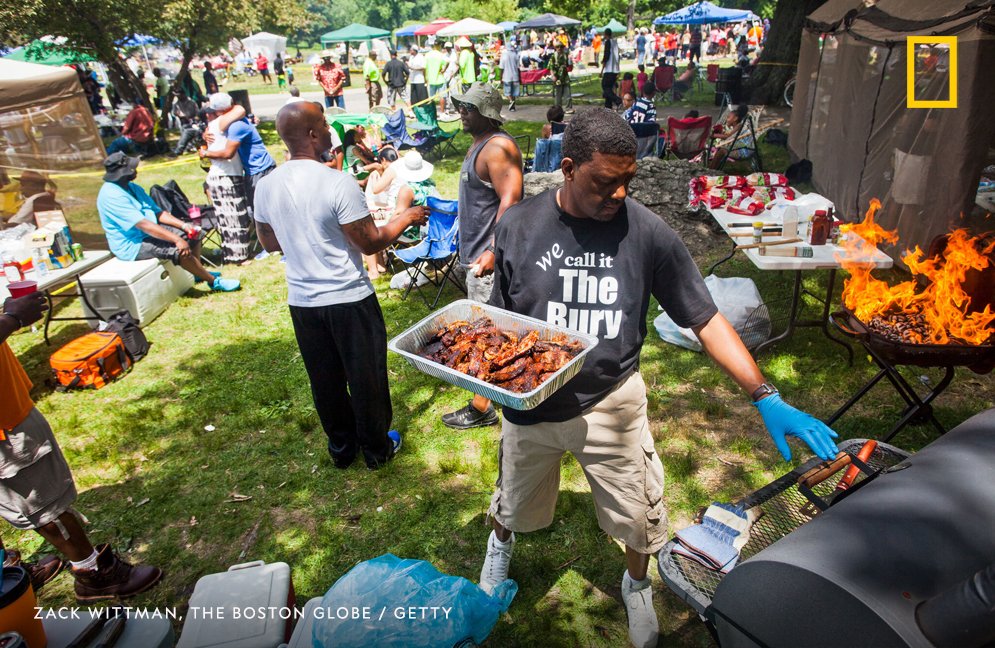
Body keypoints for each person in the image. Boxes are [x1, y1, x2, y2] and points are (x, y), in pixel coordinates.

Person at [476, 108, 840, 648]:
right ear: (570, 168)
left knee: (639, 514)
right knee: (514, 498)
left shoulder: (647, 232)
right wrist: (486, 386)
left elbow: (706, 317)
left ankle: (637, 583)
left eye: (629, 180)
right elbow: (503, 320)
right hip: (531, 406)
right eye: (605, 181)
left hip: (611, 403)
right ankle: (499, 546)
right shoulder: (519, 225)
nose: (620, 193)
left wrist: (765, 394)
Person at [253, 102, 428, 469]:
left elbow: (269, 243)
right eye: (324, 125)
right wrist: (406, 216)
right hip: (349, 298)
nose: (331, 130)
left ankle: (342, 449)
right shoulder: (337, 182)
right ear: (313, 134)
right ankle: (377, 449)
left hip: (303, 302)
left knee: (325, 378)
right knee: (366, 377)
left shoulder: (265, 185)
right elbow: (370, 242)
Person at [0, 293, 164, 600]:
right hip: (5, 424)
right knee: (42, 502)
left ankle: (5, 574)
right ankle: (94, 573)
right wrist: (13, 319)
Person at [441, 83, 523, 430]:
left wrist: (493, 250)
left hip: (488, 260)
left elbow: (512, 199)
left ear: (487, 113)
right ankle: (498, 395)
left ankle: (482, 406)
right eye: (461, 106)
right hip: (474, 256)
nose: (462, 111)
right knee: (488, 328)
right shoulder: (479, 144)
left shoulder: (498, 147)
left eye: (469, 108)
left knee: (488, 333)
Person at [97, 152, 240, 291]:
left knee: (195, 233)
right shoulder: (112, 196)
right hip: (132, 245)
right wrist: (176, 239)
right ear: (123, 172)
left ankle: (197, 273)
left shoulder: (132, 187)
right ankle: (213, 282)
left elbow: (158, 212)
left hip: (149, 231)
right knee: (179, 249)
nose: (136, 170)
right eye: (132, 168)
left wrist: (185, 226)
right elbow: (144, 225)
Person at [201, 93, 277, 210]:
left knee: (264, 210)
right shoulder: (231, 123)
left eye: (213, 112)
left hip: (260, 170)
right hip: (253, 170)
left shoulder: (236, 126)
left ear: (222, 111)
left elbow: (228, 153)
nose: (209, 115)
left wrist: (206, 154)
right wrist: (205, 134)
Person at [201, 102, 253, 264]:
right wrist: (205, 153)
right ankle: (237, 257)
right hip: (223, 177)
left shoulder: (218, 124)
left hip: (229, 175)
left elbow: (240, 109)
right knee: (231, 219)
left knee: (234, 217)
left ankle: (236, 254)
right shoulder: (217, 124)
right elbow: (227, 154)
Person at [709, 104, 754, 169]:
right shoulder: (738, 126)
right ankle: (713, 168)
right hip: (741, 148)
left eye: (728, 117)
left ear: (735, 118)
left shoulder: (739, 126)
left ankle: (711, 169)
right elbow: (729, 136)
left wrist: (713, 135)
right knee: (720, 149)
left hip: (744, 151)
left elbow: (726, 136)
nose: (727, 119)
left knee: (722, 151)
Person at [170, 90, 202, 156]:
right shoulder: (176, 104)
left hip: (193, 121)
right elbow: (174, 113)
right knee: (184, 129)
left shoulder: (192, 102)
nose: (178, 97)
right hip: (183, 121)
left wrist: (194, 119)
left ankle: (189, 147)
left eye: (179, 95)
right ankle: (186, 147)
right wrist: (178, 114)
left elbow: (197, 113)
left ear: (183, 94)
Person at [549, 40, 573, 113]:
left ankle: (568, 108)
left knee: (568, 94)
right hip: (557, 77)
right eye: (557, 47)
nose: (559, 48)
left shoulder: (566, 55)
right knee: (558, 95)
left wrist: (570, 60)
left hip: (565, 77)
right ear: (555, 48)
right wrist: (553, 75)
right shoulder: (553, 56)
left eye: (561, 47)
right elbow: (551, 67)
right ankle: (558, 110)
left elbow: (570, 66)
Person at [600, 28, 621, 109]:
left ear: (605, 34)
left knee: (605, 87)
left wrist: (602, 66)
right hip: (615, 69)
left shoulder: (608, 42)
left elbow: (607, 54)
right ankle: (608, 106)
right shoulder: (615, 42)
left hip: (609, 69)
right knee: (609, 87)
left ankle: (617, 100)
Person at [499, 40, 520, 112]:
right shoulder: (515, 55)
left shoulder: (504, 55)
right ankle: (513, 106)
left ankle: (511, 101)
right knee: (514, 92)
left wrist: (500, 77)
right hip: (515, 76)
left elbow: (501, 68)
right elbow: (518, 67)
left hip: (506, 76)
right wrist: (520, 77)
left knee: (507, 92)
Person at [424, 41, 447, 108]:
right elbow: (447, 62)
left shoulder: (428, 55)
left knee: (431, 97)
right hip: (440, 78)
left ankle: (432, 112)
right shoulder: (441, 54)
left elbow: (425, 67)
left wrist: (425, 78)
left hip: (431, 79)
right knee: (442, 97)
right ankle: (442, 112)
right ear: (439, 45)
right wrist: (443, 70)